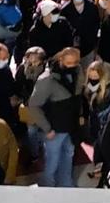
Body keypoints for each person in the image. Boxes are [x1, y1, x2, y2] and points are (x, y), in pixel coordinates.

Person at [27, 47, 84, 187]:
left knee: (68, 158)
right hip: (54, 129)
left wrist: (81, 115)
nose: (73, 65)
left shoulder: (77, 70)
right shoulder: (46, 79)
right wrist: (47, 128)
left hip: (71, 127)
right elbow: (33, 106)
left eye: (75, 62)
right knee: (52, 163)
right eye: (69, 62)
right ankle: (49, 190)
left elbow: (78, 96)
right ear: (61, 60)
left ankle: (66, 186)